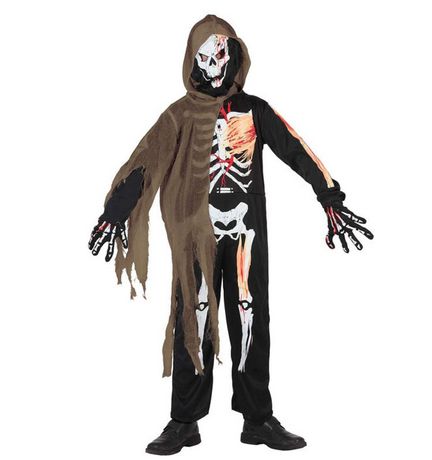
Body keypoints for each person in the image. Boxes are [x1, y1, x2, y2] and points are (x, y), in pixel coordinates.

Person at [88, 14, 373, 455]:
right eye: (204, 56)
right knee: (193, 316)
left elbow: (295, 148)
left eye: (220, 53)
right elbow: (147, 160)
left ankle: (257, 419)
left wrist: (329, 196)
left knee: (252, 317)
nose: (214, 64)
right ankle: (184, 421)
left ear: (233, 54)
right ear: (193, 60)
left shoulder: (254, 110)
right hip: (194, 234)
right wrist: (115, 212)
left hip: (245, 230)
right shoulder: (179, 115)